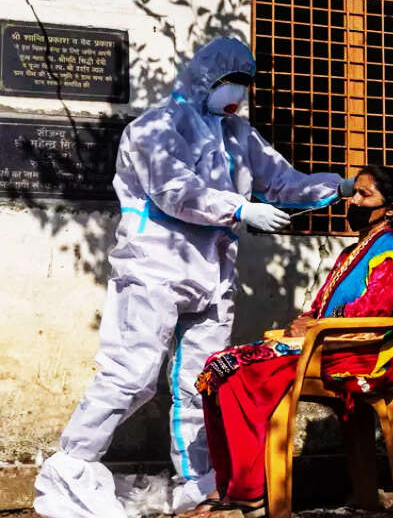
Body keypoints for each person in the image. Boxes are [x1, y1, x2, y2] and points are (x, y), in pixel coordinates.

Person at [34, 37, 352, 518]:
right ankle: (70, 469)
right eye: (231, 84)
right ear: (205, 78)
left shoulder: (237, 134)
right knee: (132, 374)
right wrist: (240, 207)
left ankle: (197, 485)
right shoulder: (155, 127)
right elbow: (173, 190)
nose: (237, 97)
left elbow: (282, 180)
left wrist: (339, 186)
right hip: (154, 268)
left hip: (213, 273)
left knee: (199, 383)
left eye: (244, 87)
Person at [181, 165, 393, 518]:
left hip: (357, 356)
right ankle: (229, 487)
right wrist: (306, 324)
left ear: (391, 209)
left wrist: (315, 328)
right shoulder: (350, 253)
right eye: (353, 192)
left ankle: (249, 494)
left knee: (240, 373)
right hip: (322, 347)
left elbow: (377, 312)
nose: (352, 201)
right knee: (218, 365)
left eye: (364, 195)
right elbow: (319, 308)